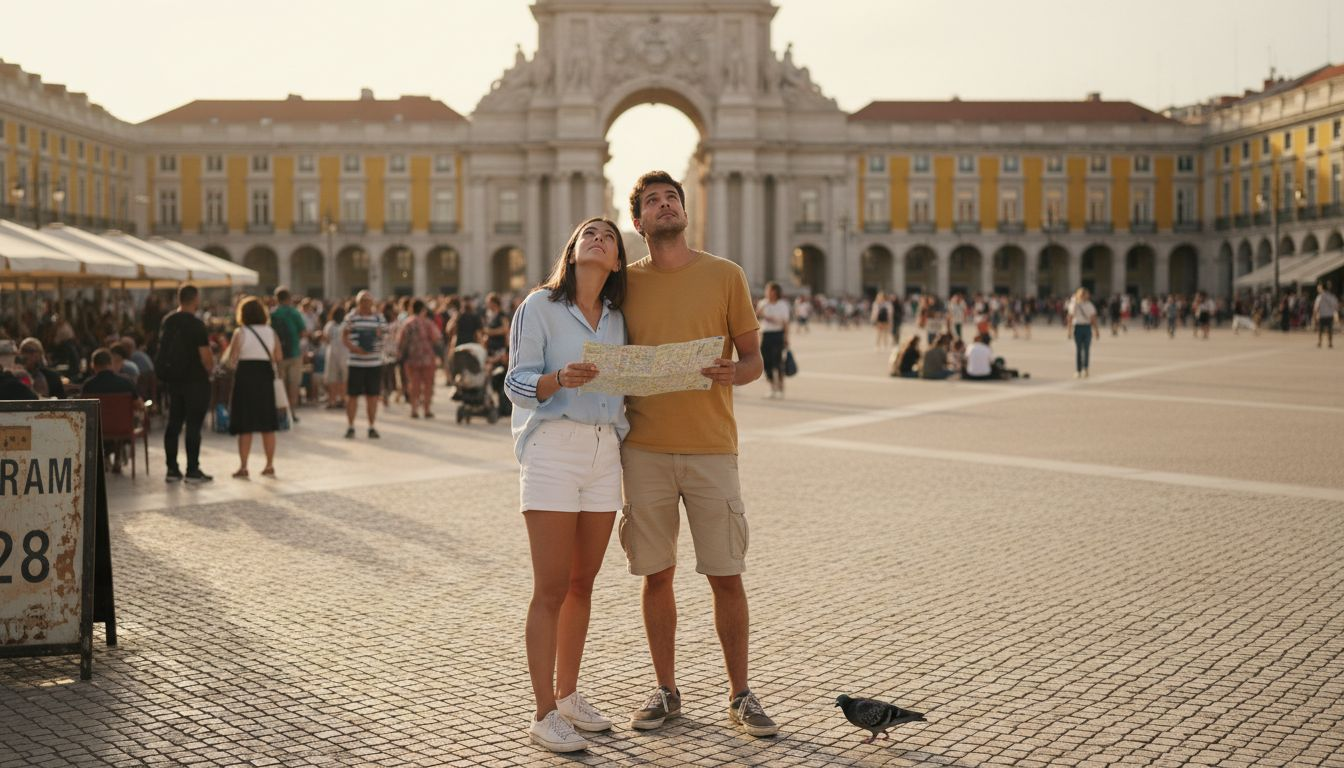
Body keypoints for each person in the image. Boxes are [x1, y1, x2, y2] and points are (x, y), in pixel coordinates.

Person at [619, 171, 778, 738]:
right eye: (654, 202)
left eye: (673, 199)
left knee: (726, 574)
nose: (666, 206)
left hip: (712, 448)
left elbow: (755, 359)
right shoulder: (623, 284)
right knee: (655, 575)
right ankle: (666, 691)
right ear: (636, 222)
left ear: (686, 211)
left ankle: (740, 693)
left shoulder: (725, 275)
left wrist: (737, 371)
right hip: (643, 450)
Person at [503, 216, 629, 753]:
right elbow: (513, 380)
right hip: (554, 445)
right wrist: (558, 380)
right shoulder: (538, 307)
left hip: (605, 451)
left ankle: (570, 693)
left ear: (619, 260)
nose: (600, 239)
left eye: (610, 237)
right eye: (589, 234)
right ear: (572, 250)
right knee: (551, 587)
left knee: (583, 583)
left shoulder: (620, 319)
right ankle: (543, 712)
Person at [158, 284, 215, 483]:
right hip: (195, 381)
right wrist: (211, 369)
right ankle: (192, 469)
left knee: (173, 424)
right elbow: (206, 357)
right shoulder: (196, 325)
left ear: (179, 298)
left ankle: (172, 469)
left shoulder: (168, 321)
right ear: (196, 299)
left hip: (174, 381)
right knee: (193, 426)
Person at [223, 296, 281, 479]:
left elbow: (232, 360)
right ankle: (269, 464)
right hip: (264, 378)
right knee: (267, 425)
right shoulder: (271, 332)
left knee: (245, 425)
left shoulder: (240, 333)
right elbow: (278, 355)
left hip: (245, 379)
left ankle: (244, 466)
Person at [341, 290, 386, 439]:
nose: (366, 304)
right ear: (358, 302)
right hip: (356, 363)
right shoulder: (351, 318)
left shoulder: (379, 318)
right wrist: (354, 348)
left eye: (369, 301)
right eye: (363, 301)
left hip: (373, 363)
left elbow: (386, 335)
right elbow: (344, 337)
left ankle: (371, 426)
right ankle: (350, 426)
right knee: (352, 396)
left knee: (372, 396)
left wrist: (380, 335)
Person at [399, 299, 443, 418]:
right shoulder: (428, 323)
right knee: (428, 384)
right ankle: (427, 409)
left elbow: (400, 341)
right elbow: (436, 338)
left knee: (414, 384)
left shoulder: (407, 323)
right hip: (427, 358)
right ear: (423, 310)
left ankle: (414, 409)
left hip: (411, 358)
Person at [270, 287, 307, 420]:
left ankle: (281, 412)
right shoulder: (294, 313)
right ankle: (292, 413)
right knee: (293, 385)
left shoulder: (272, 314)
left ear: (276, 298)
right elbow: (303, 332)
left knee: (281, 385)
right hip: (294, 353)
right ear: (289, 298)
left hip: (278, 355)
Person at [755, 281, 790, 399]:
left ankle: (780, 388)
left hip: (778, 334)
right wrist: (760, 311)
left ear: (775, 292)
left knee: (778, 362)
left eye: (768, 290)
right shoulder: (763, 303)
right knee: (766, 362)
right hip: (765, 335)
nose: (766, 292)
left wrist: (786, 338)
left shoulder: (782, 305)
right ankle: (772, 387)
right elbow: (755, 318)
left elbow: (785, 323)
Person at [1067, 287, 1099, 379]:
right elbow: (1070, 317)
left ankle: (1086, 368)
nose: (1083, 296)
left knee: (1086, 349)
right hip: (1078, 327)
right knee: (1078, 350)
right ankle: (1078, 370)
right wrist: (1069, 331)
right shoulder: (1074, 305)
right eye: (1081, 294)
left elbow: (1093, 319)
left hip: (1087, 327)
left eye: (1084, 294)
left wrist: (1096, 331)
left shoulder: (1089, 305)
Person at [323, 306, 348, 409]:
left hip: (334, 352)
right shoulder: (344, 325)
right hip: (343, 353)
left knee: (335, 378)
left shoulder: (330, 325)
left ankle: (334, 400)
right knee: (341, 378)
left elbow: (326, 339)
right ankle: (340, 399)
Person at [1313, 281, 1338, 349]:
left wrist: (1315, 315)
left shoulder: (1320, 296)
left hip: (1323, 315)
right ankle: (1329, 343)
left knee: (1321, 329)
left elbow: (1316, 307)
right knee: (1329, 329)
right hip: (1329, 315)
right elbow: (1335, 305)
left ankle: (1320, 342)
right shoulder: (1332, 296)